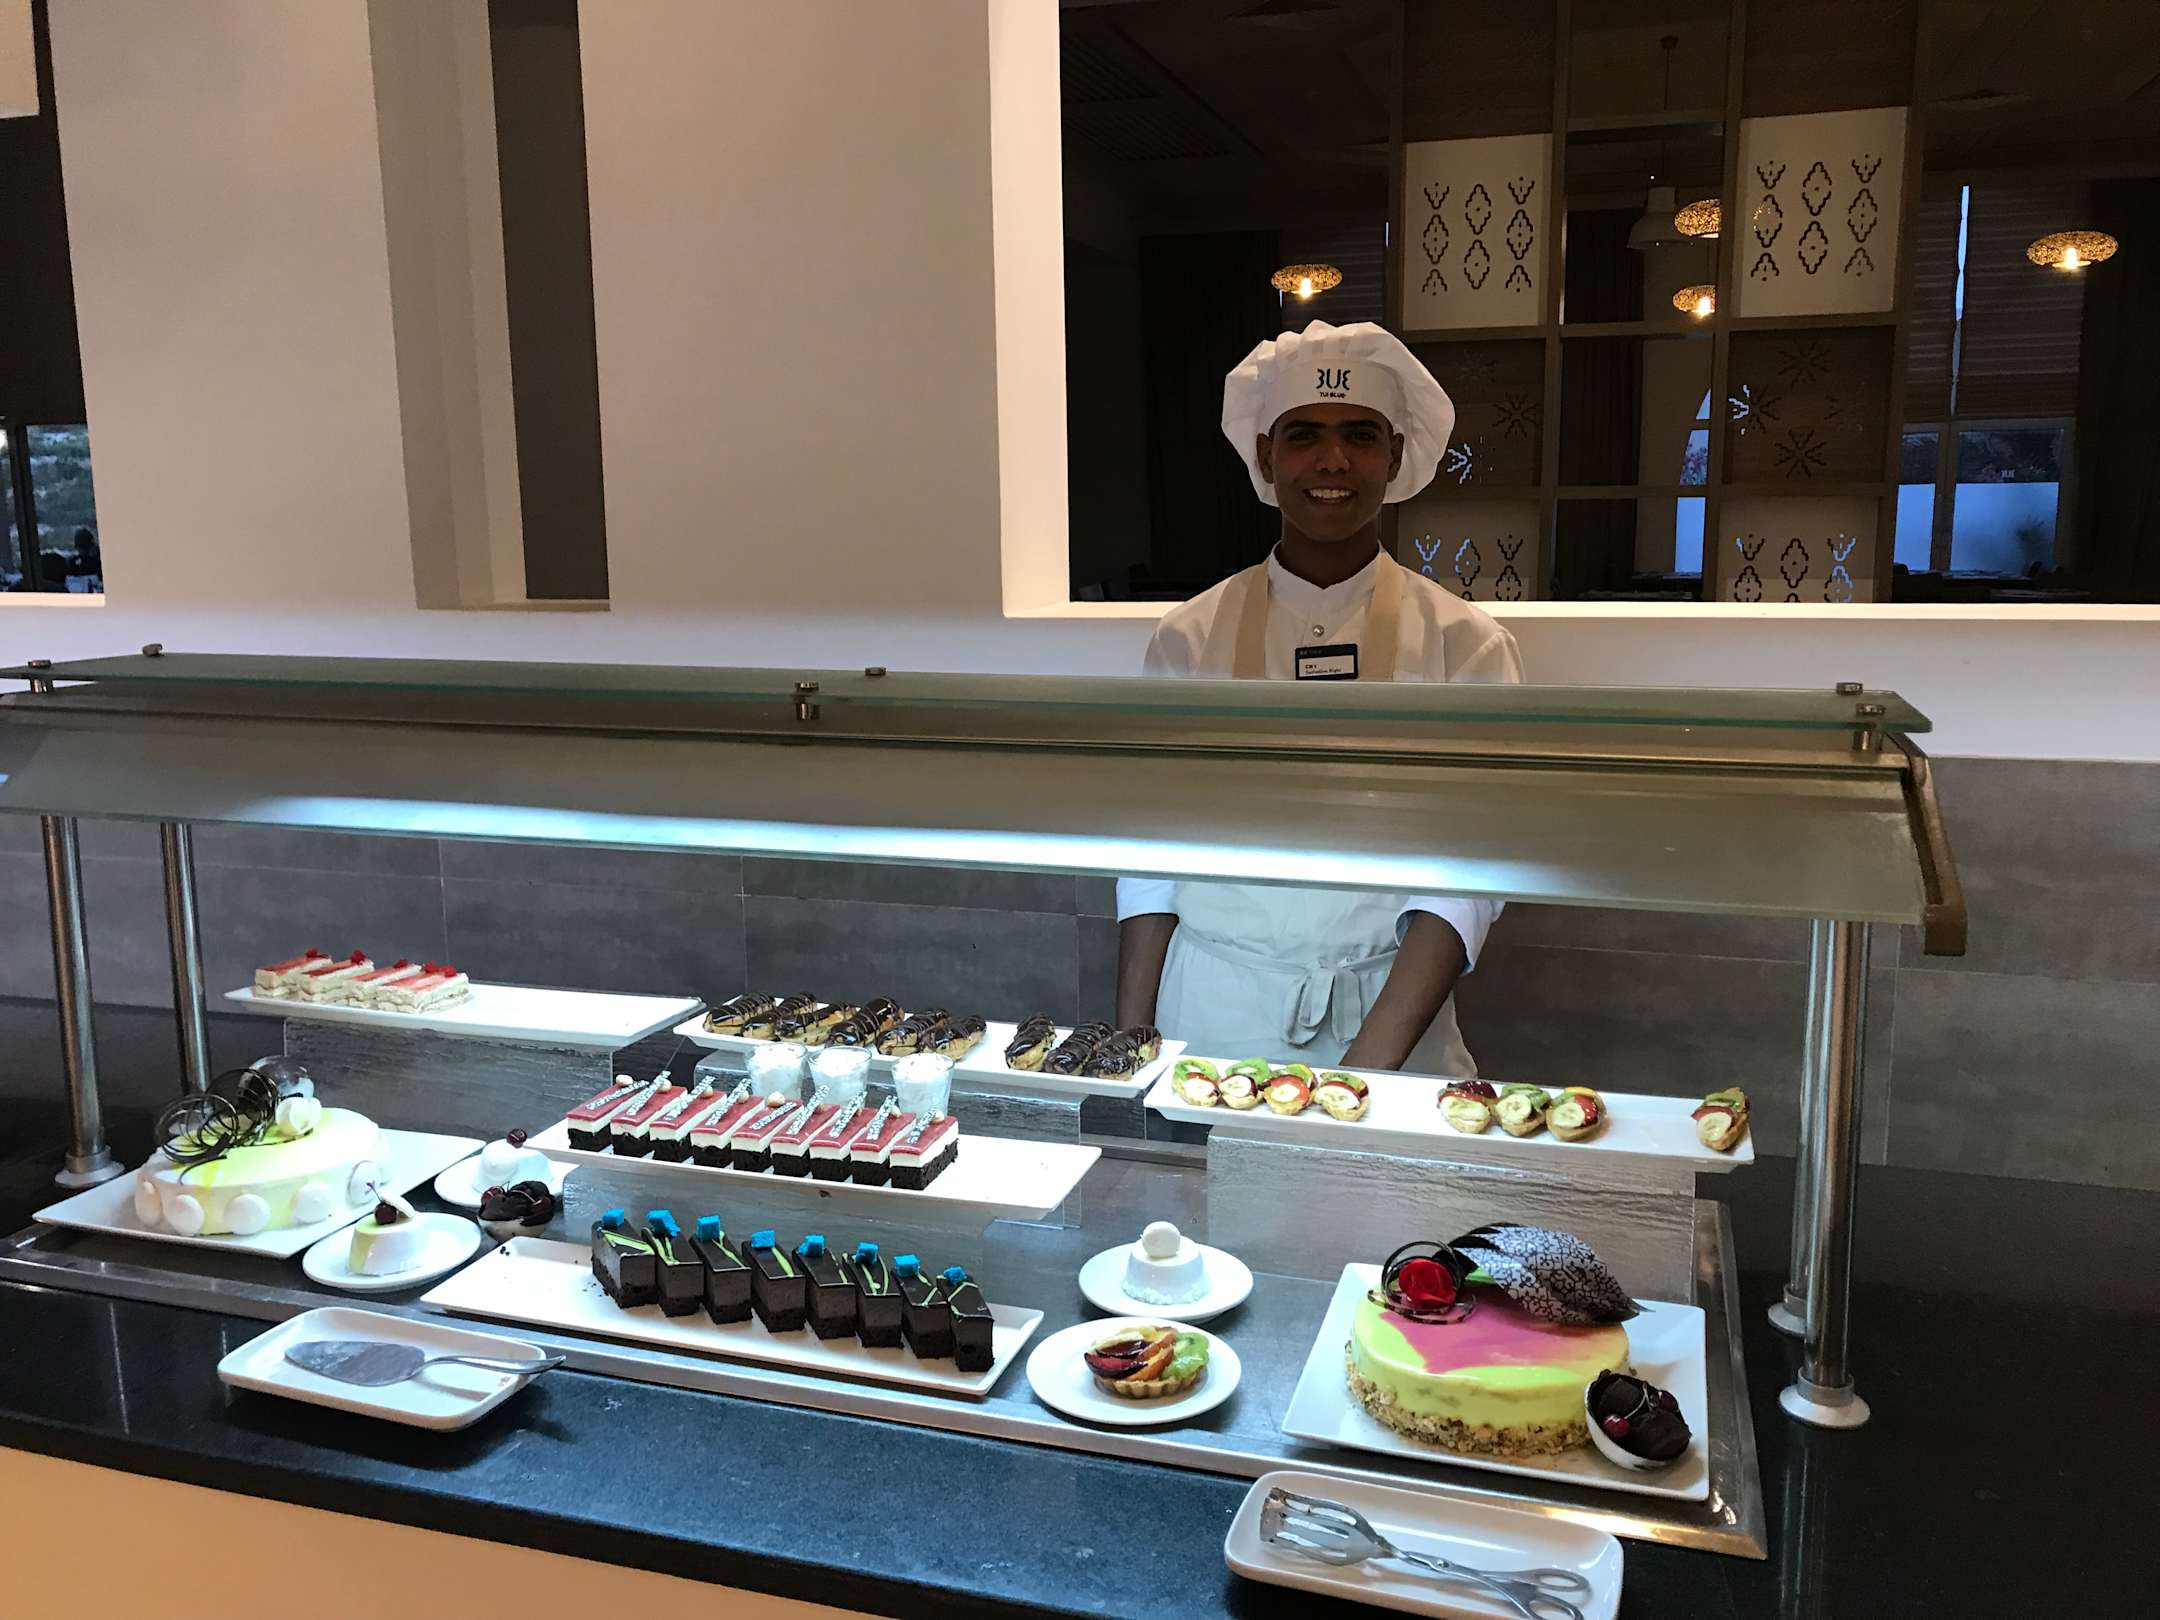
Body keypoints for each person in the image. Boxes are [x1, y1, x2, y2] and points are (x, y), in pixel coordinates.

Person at [1112, 320, 1522, 1077]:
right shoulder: (1188, 637)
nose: (1333, 460)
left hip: (1389, 1026)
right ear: (1266, 456)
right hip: (1209, 1018)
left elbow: (1470, 875)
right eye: (1304, 435)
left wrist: (1363, 1072)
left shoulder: (1465, 643)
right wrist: (1131, 1052)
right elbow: (1149, 855)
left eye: (1360, 435)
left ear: (1394, 454)